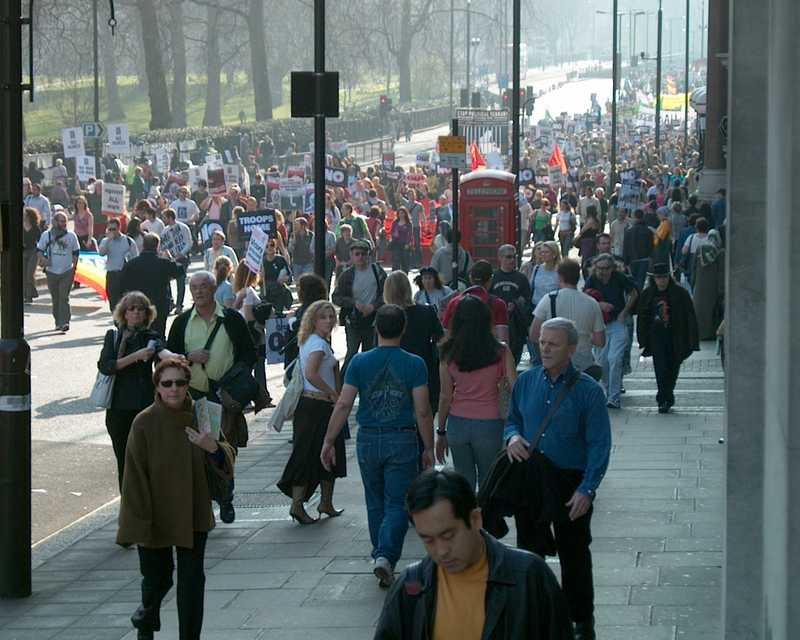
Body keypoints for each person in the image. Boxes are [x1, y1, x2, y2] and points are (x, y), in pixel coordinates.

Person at [504, 318, 611, 640]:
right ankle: (535, 617)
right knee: (529, 552)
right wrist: (512, 437)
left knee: (574, 553)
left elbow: (599, 444)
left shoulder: (588, 391)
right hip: (532, 478)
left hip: (570, 481)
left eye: (554, 343)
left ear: (572, 348)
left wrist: (587, 489)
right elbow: (512, 420)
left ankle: (581, 621)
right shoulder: (526, 381)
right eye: (542, 342)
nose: (545, 348)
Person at [374, 469, 574, 640]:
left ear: (476, 519)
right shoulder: (411, 585)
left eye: (448, 535)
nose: (441, 551)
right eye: (428, 540)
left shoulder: (529, 577)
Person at [116, 358, 235, 640]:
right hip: (155, 511)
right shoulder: (144, 422)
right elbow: (133, 477)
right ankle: (146, 620)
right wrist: (136, 522)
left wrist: (212, 447)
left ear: (187, 385)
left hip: (193, 509)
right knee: (158, 578)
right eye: (167, 383)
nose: (174, 389)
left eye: (180, 383)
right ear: (157, 387)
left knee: (192, 581)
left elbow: (227, 455)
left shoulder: (203, 414)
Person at [321, 305, 434, 588]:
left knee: (374, 501)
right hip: (402, 438)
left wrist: (329, 440)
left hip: (369, 438)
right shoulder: (415, 364)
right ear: (403, 328)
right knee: (398, 502)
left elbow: (344, 403)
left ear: (376, 328)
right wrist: (429, 446)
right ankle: (386, 556)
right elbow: (422, 410)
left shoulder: (360, 362)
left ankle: (380, 554)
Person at [167, 271, 257, 524]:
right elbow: (167, 360)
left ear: (214, 288)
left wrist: (234, 382)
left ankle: (226, 497)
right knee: (197, 451)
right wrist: (189, 357)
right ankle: (204, 503)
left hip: (223, 397)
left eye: (204, 286)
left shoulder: (231, 319)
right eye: (194, 287)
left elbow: (249, 354)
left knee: (224, 449)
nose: (198, 291)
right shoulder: (181, 322)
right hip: (194, 397)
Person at [437, 295, 516, 491]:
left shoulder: (447, 352)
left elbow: (445, 396)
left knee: (464, 483)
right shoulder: (501, 351)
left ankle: (468, 511)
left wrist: (441, 431)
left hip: (457, 423)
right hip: (490, 423)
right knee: (489, 481)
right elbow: (515, 389)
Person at [97, 292, 175, 489]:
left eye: (141, 309)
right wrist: (136, 356)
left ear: (147, 314)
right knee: (123, 459)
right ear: (124, 313)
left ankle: (146, 498)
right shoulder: (113, 336)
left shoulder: (150, 336)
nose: (136, 312)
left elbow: (161, 351)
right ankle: (128, 500)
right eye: (131, 309)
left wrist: (175, 357)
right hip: (118, 407)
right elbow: (106, 366)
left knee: (145, 459)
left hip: (143, 406)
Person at [278, 301, 345, 524]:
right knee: (308, 455)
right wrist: (332, 394)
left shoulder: (312, 341)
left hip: (314, 406)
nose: (329, 320)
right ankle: (299, 505)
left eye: (331, 316)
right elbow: (311, 373)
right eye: (323, 317)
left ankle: (325, 502)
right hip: (316, 406)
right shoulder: (317, 344)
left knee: (323, 453)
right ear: (313, 320)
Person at [636, 263, 699, 413]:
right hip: (656, 337)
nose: (662, 280)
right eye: (658, 277)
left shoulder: (680, 293)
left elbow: (690, 317)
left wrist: (692, 340)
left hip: (676, 337)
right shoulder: (648, 294)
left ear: (668, 277)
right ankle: (663, 399)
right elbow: (642, 317)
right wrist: (643, 339)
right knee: (660, 368)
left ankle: (667, 396)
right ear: (654, 279)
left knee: (673, 368)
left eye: (664, 277)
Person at [531, 259, 606, 380]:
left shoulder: (549, 299)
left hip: (557, 363)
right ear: (578, 276)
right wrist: (585, 336)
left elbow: (534, 335)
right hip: (584, 364)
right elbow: (600, 341)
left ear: (559, 276)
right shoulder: (592, 303)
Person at [383, 271, 444, 416]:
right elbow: (440, 339)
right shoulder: (427, 312)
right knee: (424, 415)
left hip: (395, 374)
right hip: (424, 369)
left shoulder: (384, 315)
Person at [584, 253, 638, 409]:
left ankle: (614, 397)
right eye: (600, 268)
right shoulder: (592, 279)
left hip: (617, 323)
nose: (603, 271)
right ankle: (606, 391)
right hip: (599, 324)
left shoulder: (619, 277)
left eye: (607, 268)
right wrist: (600, 305)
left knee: (615, 358)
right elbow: (584, 297)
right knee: (602, 361)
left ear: (612, 268)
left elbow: (634, 293)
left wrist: (624, 312)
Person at [331, 239, 386, 374]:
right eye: (357, 254)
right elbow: (336, 297)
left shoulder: (377, 272)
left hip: (373, 320)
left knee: (370, 354)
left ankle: (367, 381)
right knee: (352, 353)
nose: (360, 257)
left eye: (363, 254)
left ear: (369, 255)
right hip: (353, 321)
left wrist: (373, 306)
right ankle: (343, 381)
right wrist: (353, 303)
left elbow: (386, 293)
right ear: (352, 256)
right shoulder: (347, 275)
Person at [121, 233, 180, 338]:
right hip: (159, 303)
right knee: (159, 333)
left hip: (138, 304)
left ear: (143, 246)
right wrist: (170, 258)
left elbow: (122, 284)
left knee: (139, 333)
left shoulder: (131, 264)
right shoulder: (163, 263)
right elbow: (179, 271)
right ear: (157, 246)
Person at [442, 261, 509, 343]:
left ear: (470, 278)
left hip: (460, 350)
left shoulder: (454, 302)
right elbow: (502, 339)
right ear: (490, 280)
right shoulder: (498, 303)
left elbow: (445, 336)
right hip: (487, 350)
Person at [36, 210, 80, 332]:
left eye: (65, 221)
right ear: (55, 222)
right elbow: (39, 250)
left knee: (64, 297)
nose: (64, 223)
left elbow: (76, 252)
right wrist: (43, 259)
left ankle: (65, 322)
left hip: (67, 271)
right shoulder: (47, 235)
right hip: (51, 272)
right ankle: (57, 322)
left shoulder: (71, 236)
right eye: (61, 221)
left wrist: (74, 268)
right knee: (55, 298)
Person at [490, 244, 532, 364]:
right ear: (500, 258)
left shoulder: (521, 278)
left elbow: (527, 298)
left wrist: (516, 303)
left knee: (514, 356)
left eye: (514, 257)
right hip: (496, 323)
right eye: (508, 257)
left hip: (516, 324)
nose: (512, 260)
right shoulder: (493, 277)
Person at [99, 218, 139, 312]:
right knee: (113, 302)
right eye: (110, 229)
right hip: (112, 274)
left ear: (119, 228)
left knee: (126, 302)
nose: (112, 231)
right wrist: (108, 239)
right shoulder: (105, 241)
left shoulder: (128, 241)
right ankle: (116, 318)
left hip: (125, 274)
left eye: (114, 229)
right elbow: (101, 253)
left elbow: (135, 258)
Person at [161, 209, 193, 315]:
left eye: (164, 217)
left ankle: (179, 305)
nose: (163, 219)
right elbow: (163, 246)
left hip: (182, 259)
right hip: (170, 260)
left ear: (170, 217)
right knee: (166, 282)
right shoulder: (164, 231)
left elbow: (189, 242)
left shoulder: (183, 227)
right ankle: (171, 302)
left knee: (180, 281)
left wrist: (182, 253)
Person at [430, 222, 472, 287]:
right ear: (460, 239)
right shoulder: (466, 255)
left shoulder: (438, 254)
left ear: (446, 238)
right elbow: (470, 272)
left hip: (443, 289)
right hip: (461, 289)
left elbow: (432, 272)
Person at [622, 208, 654, 292]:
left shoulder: (628, 231)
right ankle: (638, 296)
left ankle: (634, 296)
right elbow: (651, 246)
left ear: (634, 217)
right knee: (641, 281)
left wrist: (625, 262)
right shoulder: (648, 231)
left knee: (633, 280)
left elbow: (625, 248)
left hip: (632, 260)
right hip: (644, 259)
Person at [22, 207, 41, 304]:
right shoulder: (20, 226)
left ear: (30, 216)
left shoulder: (35, 227)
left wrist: (41, 253)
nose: (23, 216)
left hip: (33, 252)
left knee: (30, 274)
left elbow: (40, 240)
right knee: (23, 275)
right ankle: (28, 294)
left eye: (25, 214)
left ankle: (29, 296)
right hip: (23, 252)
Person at [390, 207, 414, 272]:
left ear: (405, 214)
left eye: (402, 213)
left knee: (405, 261)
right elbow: (391, 232)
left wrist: (407, 243)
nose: (401, 215)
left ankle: (405, 274)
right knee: (396, 261)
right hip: (396, 243)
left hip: (405, 244)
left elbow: (410, 235)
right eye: (399, 213)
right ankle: (394, 274)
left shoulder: (409, 223)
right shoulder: (395, 222)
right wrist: (394, 234)